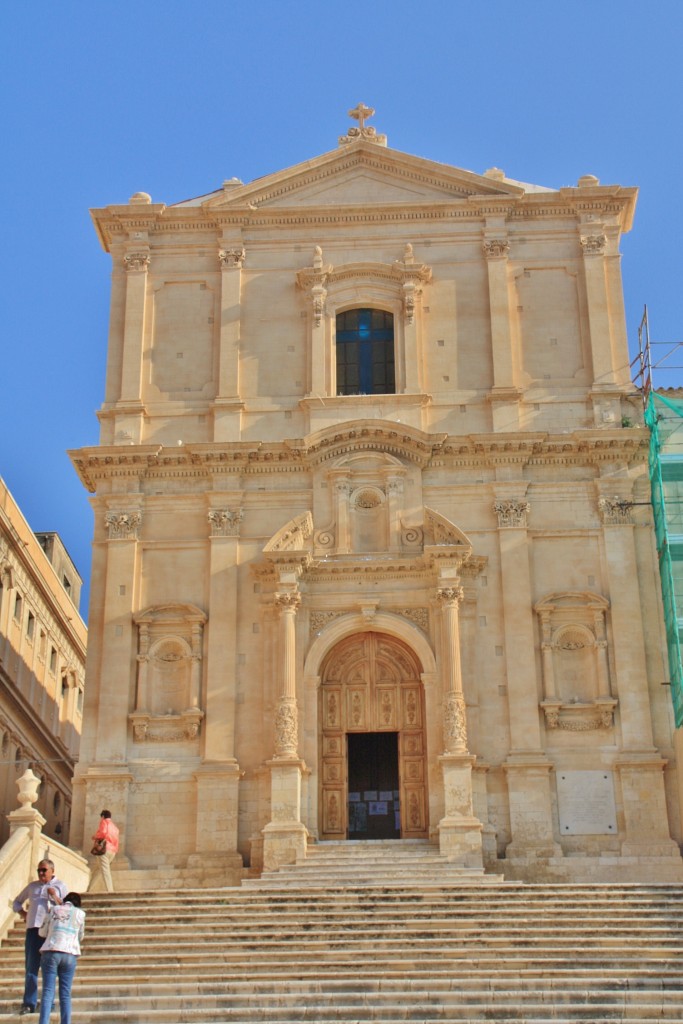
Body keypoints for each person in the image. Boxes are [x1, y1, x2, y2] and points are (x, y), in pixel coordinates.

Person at [12, 859, 68, 1015]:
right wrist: (24, 914)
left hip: (51, 931)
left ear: (52, 870)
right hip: (33, 930)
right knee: (31, 967)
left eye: (44, 870)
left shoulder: (60, 886)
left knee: (49, 968)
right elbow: (17, 902)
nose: (42, 873)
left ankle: (48, 1003)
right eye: (39, 870)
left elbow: (66, 908)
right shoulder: (32, 887)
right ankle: (29, 1003)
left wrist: (55, 896)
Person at [37, 892, 85, 1024]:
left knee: (48, 991)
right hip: (70, 952)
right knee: (65, 993)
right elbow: (81, 936)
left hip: (51, 950)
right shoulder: (80, 914)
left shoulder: (54, 909)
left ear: (65, 900)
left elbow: (41, 932)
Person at [88, 809, 119, 892]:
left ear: (102, 816)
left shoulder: (104, 822)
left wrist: (95, 837)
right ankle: (89, 889)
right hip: (112, 851)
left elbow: (103, 833)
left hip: (104, 850)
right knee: (97, 871)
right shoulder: (115, 827)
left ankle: (110, 891)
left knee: (105, 871)